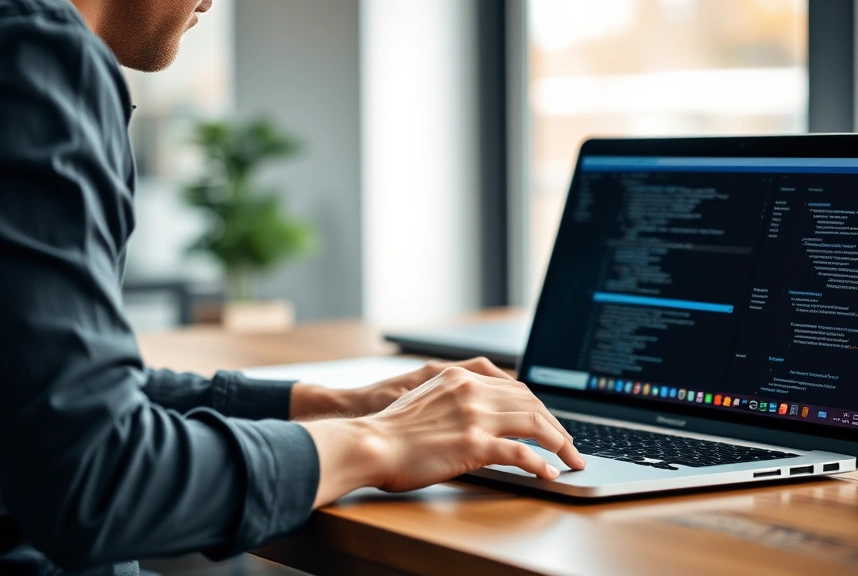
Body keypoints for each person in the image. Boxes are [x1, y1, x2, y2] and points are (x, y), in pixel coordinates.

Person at [0, 0, 587, 574]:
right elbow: (99, 478)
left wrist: (334, 403)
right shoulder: (36, 55)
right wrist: (381, 441)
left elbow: (49, 405)